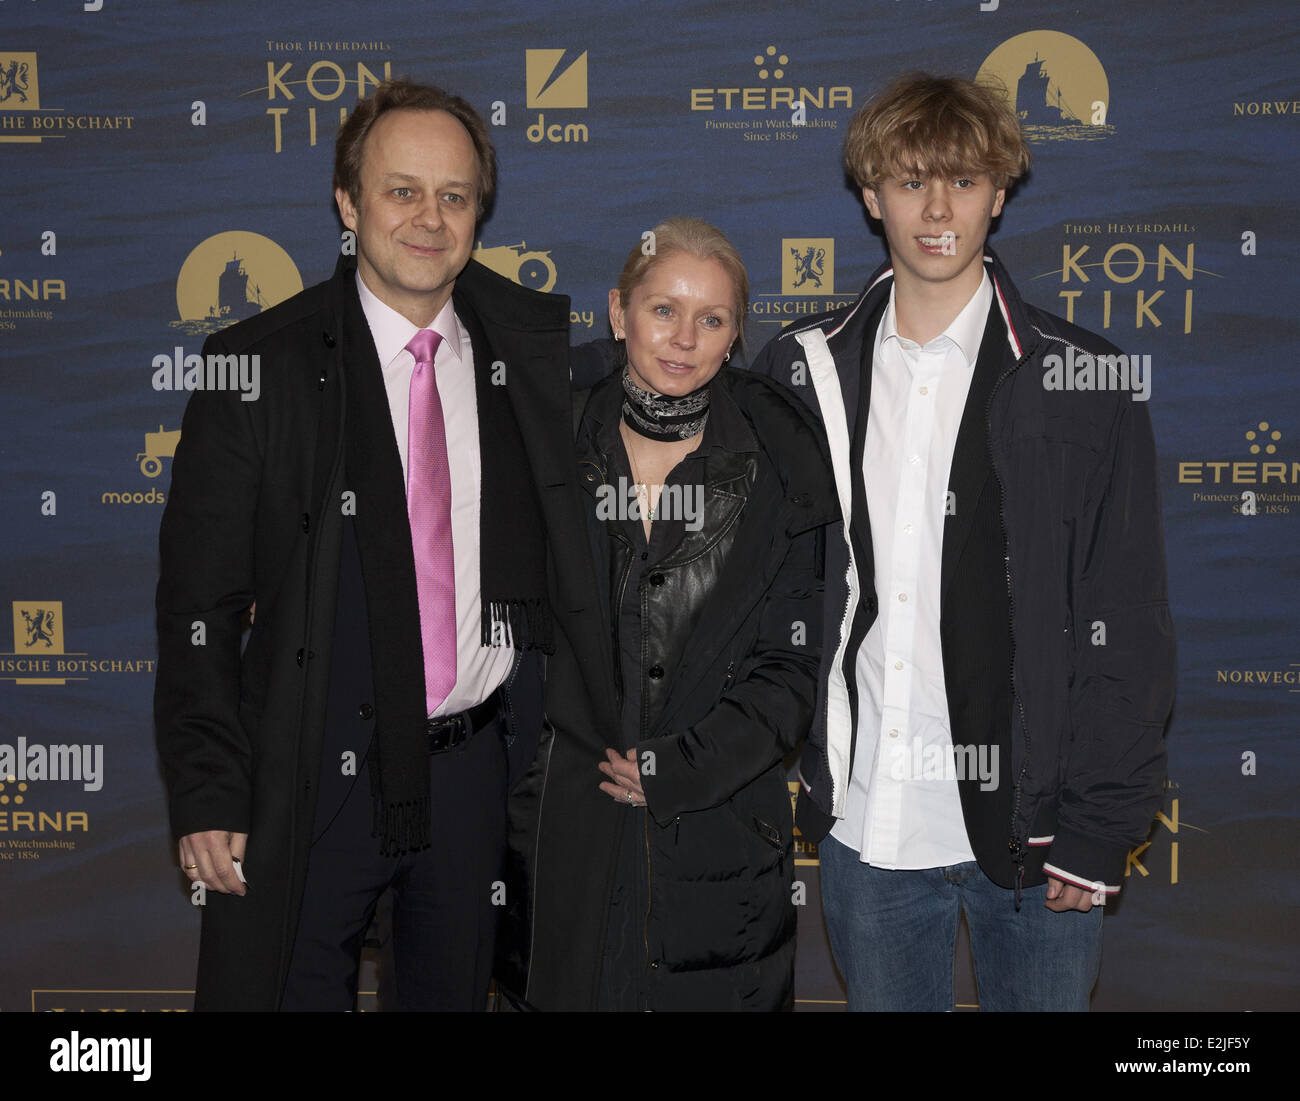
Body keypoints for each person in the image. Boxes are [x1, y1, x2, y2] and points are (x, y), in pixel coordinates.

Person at [751, 73, 1175, 1011]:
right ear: (871, 197)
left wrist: (1103, 829)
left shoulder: (1083, 380)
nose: (938, 209)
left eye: (966, 180)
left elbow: (1126, 618)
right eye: (910, 182)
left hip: (1038, 840)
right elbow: (763, 593)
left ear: (1000, 191)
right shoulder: (803, 368)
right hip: (869, 831)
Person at [154, 78, 575, 1011]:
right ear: (348, 203)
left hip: (472, 772)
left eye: (454, 196)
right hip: (308, 773)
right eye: (401, 190)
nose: (429, 218)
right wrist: (210, 791)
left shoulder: (530, 360)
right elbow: (200, 610)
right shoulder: (254, 368)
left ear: (480, 210)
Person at [501, 217, 837, 1011]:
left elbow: (793, 665)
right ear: (618, 313)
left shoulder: (780, 456)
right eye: (663, 310)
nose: (684, 338)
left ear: (734, 336)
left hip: (718, 841)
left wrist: (678, 767)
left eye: (711, 319)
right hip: (566, 834)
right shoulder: (547, 441)